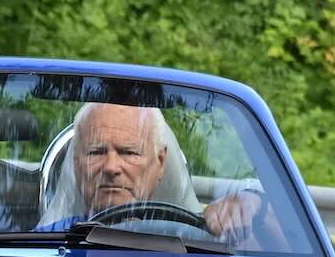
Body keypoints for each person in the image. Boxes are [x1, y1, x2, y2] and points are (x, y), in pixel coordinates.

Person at [44, 103, 280, 247]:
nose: (111, 167)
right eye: (96, 152)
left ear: (160, 163)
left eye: (129, 152)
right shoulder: (42, 243)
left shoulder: (209, 238)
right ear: (76, 163)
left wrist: (253, 205)